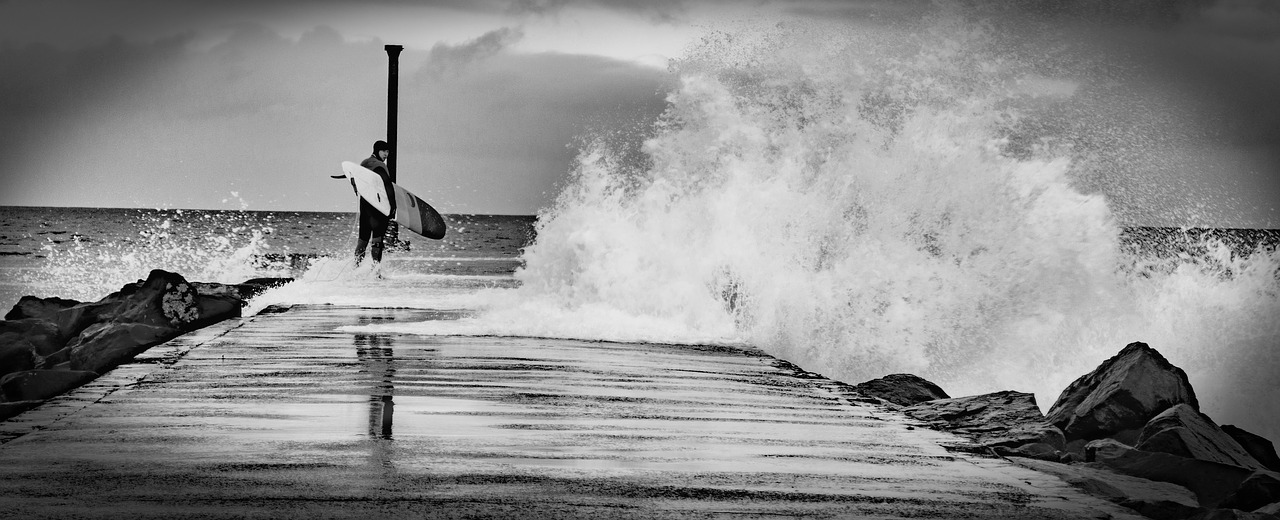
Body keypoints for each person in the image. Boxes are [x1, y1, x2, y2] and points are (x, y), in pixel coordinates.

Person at [353, 140, 397, 266]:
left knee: (363, 239)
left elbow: (355, 181)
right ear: (377, 150)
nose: (386, 154)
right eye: (384, 151)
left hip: (365, 206)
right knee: (377, 240)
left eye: (388, 151)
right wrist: (393, 206)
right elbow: (388, 186)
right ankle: (376, 272)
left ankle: (355, 269)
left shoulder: (364, 163)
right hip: (377, 207)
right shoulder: (380, 166)